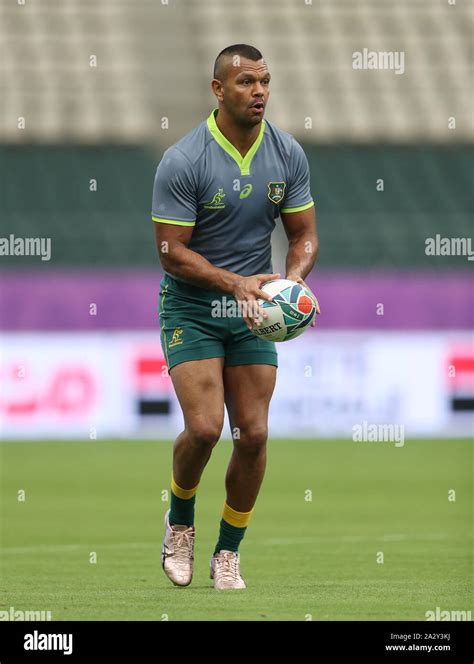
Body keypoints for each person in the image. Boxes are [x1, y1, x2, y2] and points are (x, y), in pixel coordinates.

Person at [151, 44, 319, 590]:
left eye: (265, 81)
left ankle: (228, 551)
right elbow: (171, 251)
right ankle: (179, 523)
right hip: (195, 306)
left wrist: (291, 284)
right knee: (204, 429)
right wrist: (235, 283)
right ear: (219, 90)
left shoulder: (287, 153)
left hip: (254, 311)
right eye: (246, 82)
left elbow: (304, 235)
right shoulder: (184, 159)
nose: (260, 92)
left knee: (253, 434)